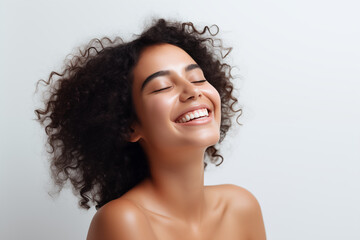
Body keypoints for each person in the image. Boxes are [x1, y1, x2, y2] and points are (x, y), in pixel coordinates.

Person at [35, 18, 266, 240]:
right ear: (128, 126)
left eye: (197, 78)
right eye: (162, 87)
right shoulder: (123, 220)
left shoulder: (241, 207)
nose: (193, 91)